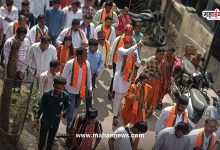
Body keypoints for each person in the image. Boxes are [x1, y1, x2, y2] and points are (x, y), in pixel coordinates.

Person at [112, 36, 141, 126]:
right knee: (117, 97)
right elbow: (127, 52)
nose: (127, 44)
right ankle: (115, 116)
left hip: (128, 78)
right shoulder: (121, 50)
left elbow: (138, 64)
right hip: (120, 78)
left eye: (129, 43)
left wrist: (136, 60)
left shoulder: (134, 51)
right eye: (126, 43)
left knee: (123, 97)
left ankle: (119, 112)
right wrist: (137, 45)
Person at [34, 76, 69, 150]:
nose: (58, 90)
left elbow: (66, 107)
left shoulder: (65, 96)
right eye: (57, 88)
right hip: (45, 121)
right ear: (53, 85)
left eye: (61, 88)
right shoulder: (46, 95)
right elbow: (41, 108)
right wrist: (36, 117)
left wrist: (63, 112)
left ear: (64, 87)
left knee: (50, 141)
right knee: (42, 141)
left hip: (55, 122)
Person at [62, 48, 92, 128]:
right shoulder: (70, 63)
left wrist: (90, 87)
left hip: (80, 90)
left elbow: (89, 76)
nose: (86, 56)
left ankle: (66, 110)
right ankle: (69, 125)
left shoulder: (87, 63)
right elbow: (64, 76)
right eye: (85, 55)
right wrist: (63, 88)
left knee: (76, 105)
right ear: (79, 55)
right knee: (71, 108)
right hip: (70, 90)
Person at [108, 24, 134, 100]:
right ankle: (111, 91)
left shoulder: (133, 41)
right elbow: (112, 50)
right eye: (128, 32)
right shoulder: (118, 39)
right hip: (116, 62)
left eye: (131, 32)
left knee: (122, 77)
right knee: (115, 76)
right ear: (124, 31)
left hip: (127, 63)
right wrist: (110, 62)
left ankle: (118, 91)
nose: (130, 34)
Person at [142, 47, 165, 115]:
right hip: (149, 81)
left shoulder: (162, 61)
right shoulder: (151, 60)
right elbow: (145, 71)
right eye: (159, 54)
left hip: (157, 82)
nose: (161, 56)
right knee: (147, 96)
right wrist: (154, 74)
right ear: (156, 54)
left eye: (162, 55)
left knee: (154, 97)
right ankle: (142, 111)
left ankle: (148, 112)